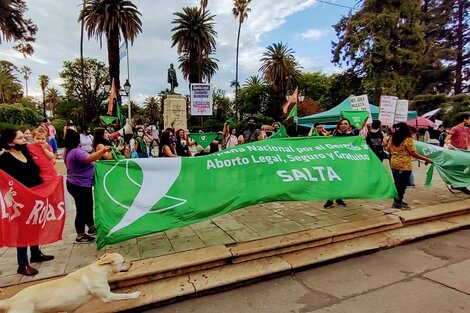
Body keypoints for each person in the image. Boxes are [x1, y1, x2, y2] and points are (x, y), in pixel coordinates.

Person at [0, 128, 54, 276]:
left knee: (35, 225)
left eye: (24, 137)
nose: (25, 140)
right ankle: (22, 263)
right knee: (23, 230)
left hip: (34, 196)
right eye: (20, 138)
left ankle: (36, 253)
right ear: (10, 143)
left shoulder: (25, 152)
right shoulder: (4, 159)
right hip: (20, 201)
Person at [63, 129, 111, 243]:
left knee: (88, 206)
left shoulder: (68, 151)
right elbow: (89, 158)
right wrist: (103, 150)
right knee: (82, 209)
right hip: (80, 185)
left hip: (77, 183)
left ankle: (91, 227)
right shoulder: (75, 152)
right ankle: (80, 235)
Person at [387, 122, 433, 209]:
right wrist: (426, 159)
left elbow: (388, 149)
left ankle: (398, 200)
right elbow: (413, 153)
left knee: (397, 183)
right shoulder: (408, 139)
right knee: (402, 184)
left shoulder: (392, 138)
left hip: (394, 162)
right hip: (404, 164)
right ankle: (397, 203)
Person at [324, 118, 360, 209]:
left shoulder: (352, 134)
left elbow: (360, 128)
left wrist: (366, 118)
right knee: (334, 180)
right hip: (336, 161)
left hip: (348, 162)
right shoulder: (336, 134)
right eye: (342, 123)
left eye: (346, 123)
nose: (343, 125)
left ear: (349, 126)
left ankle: (339, 198)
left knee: (343, 180)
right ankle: (330, 199)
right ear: (339, 125)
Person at [445, 113, 470, 194]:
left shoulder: (467, 129)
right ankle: (457, 184)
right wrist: (449, 145)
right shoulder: (455, 129)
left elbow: (468, 140)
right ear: (465, 119)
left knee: (464, 168)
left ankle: (461, 185)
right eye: (469, 118)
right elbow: (446, 139)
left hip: (464, 152)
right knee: (458, 168)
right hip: (456, 152)